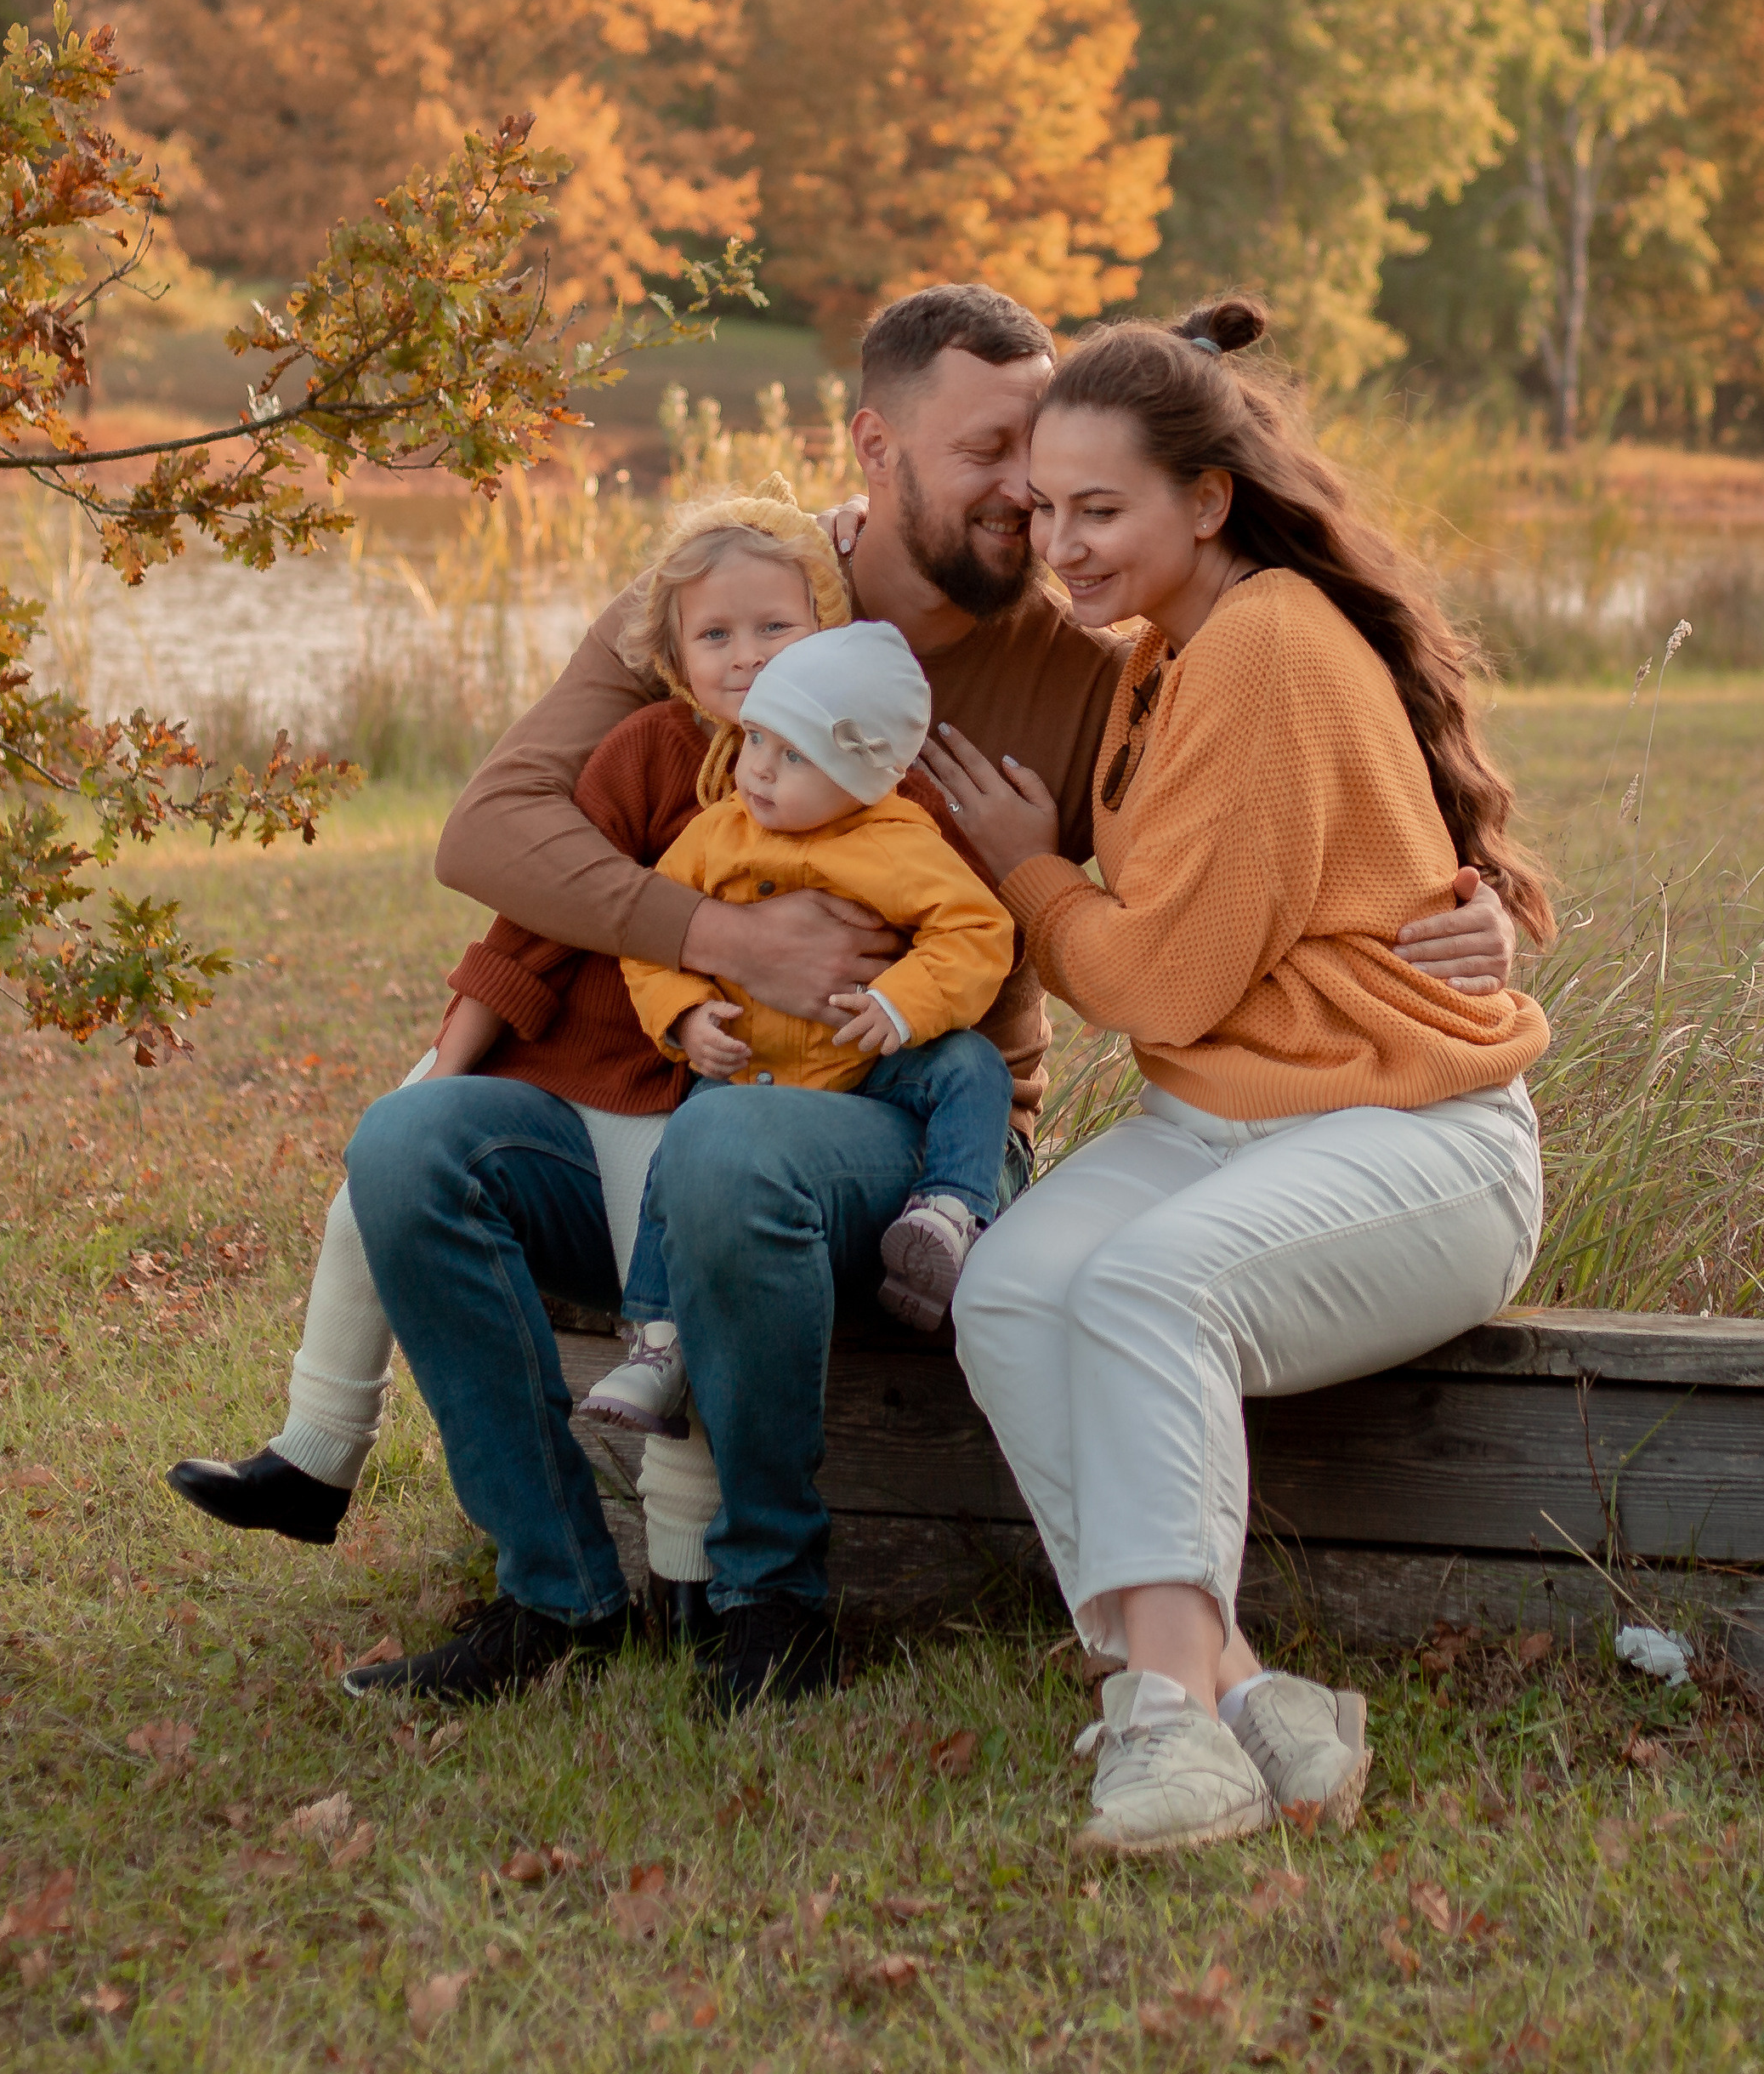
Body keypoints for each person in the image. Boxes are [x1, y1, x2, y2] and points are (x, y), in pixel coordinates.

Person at [327, 284, 1523, 1713]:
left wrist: (1466, 908)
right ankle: (558, 1592)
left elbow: (1276, 812)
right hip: (683, 1077)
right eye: (992, 455)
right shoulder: (728, 602)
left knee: (738, 1155)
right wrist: (721, 933)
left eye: (1055, 465)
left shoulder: (1094, 655)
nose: (1031, 499)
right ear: (874, 447)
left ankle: (773, 1600)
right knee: (407, 1150)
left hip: (918, 1123)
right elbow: (489, 830)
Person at [928, 299, 1552, 1856]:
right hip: (1225, 1121)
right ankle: (1246, 1694)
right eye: (1043, 511)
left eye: (1100, 511)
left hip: (1412, 1140)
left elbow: (1154, 978)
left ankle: (1167, 1734)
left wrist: (1026, 869)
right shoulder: (1163, 651)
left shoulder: (1263, 645)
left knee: (1146, 1290)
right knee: (1009, 1293)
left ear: (1206, 500)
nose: (1061, 545)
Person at [165, 481, 862, 1613]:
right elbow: (530, 920)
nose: (745, 657)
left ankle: (685, 1568)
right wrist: (448, 1064)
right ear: (676, 660)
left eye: (774, 629)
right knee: (378, 1170)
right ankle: (315, 1449)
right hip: (556, 1059)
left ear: (824, 632)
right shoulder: (646, 752)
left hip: (672, 1104)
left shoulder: (840, 770)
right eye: (716, 636)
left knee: (672, 1319)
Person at [580, 619, 1016, 1438]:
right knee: (682, 1154)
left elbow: (979, 935)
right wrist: (684, 1011)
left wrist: (901, 1003)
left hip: (862, 1067)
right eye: (756, 742)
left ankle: (949, 1212)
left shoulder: (900, 844)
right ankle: (655, 1341)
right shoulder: (717, 834)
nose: (760, 773)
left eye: (796, 757)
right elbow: (651, 939)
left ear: (866, 775)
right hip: (747, 1063)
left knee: (972, 1067)